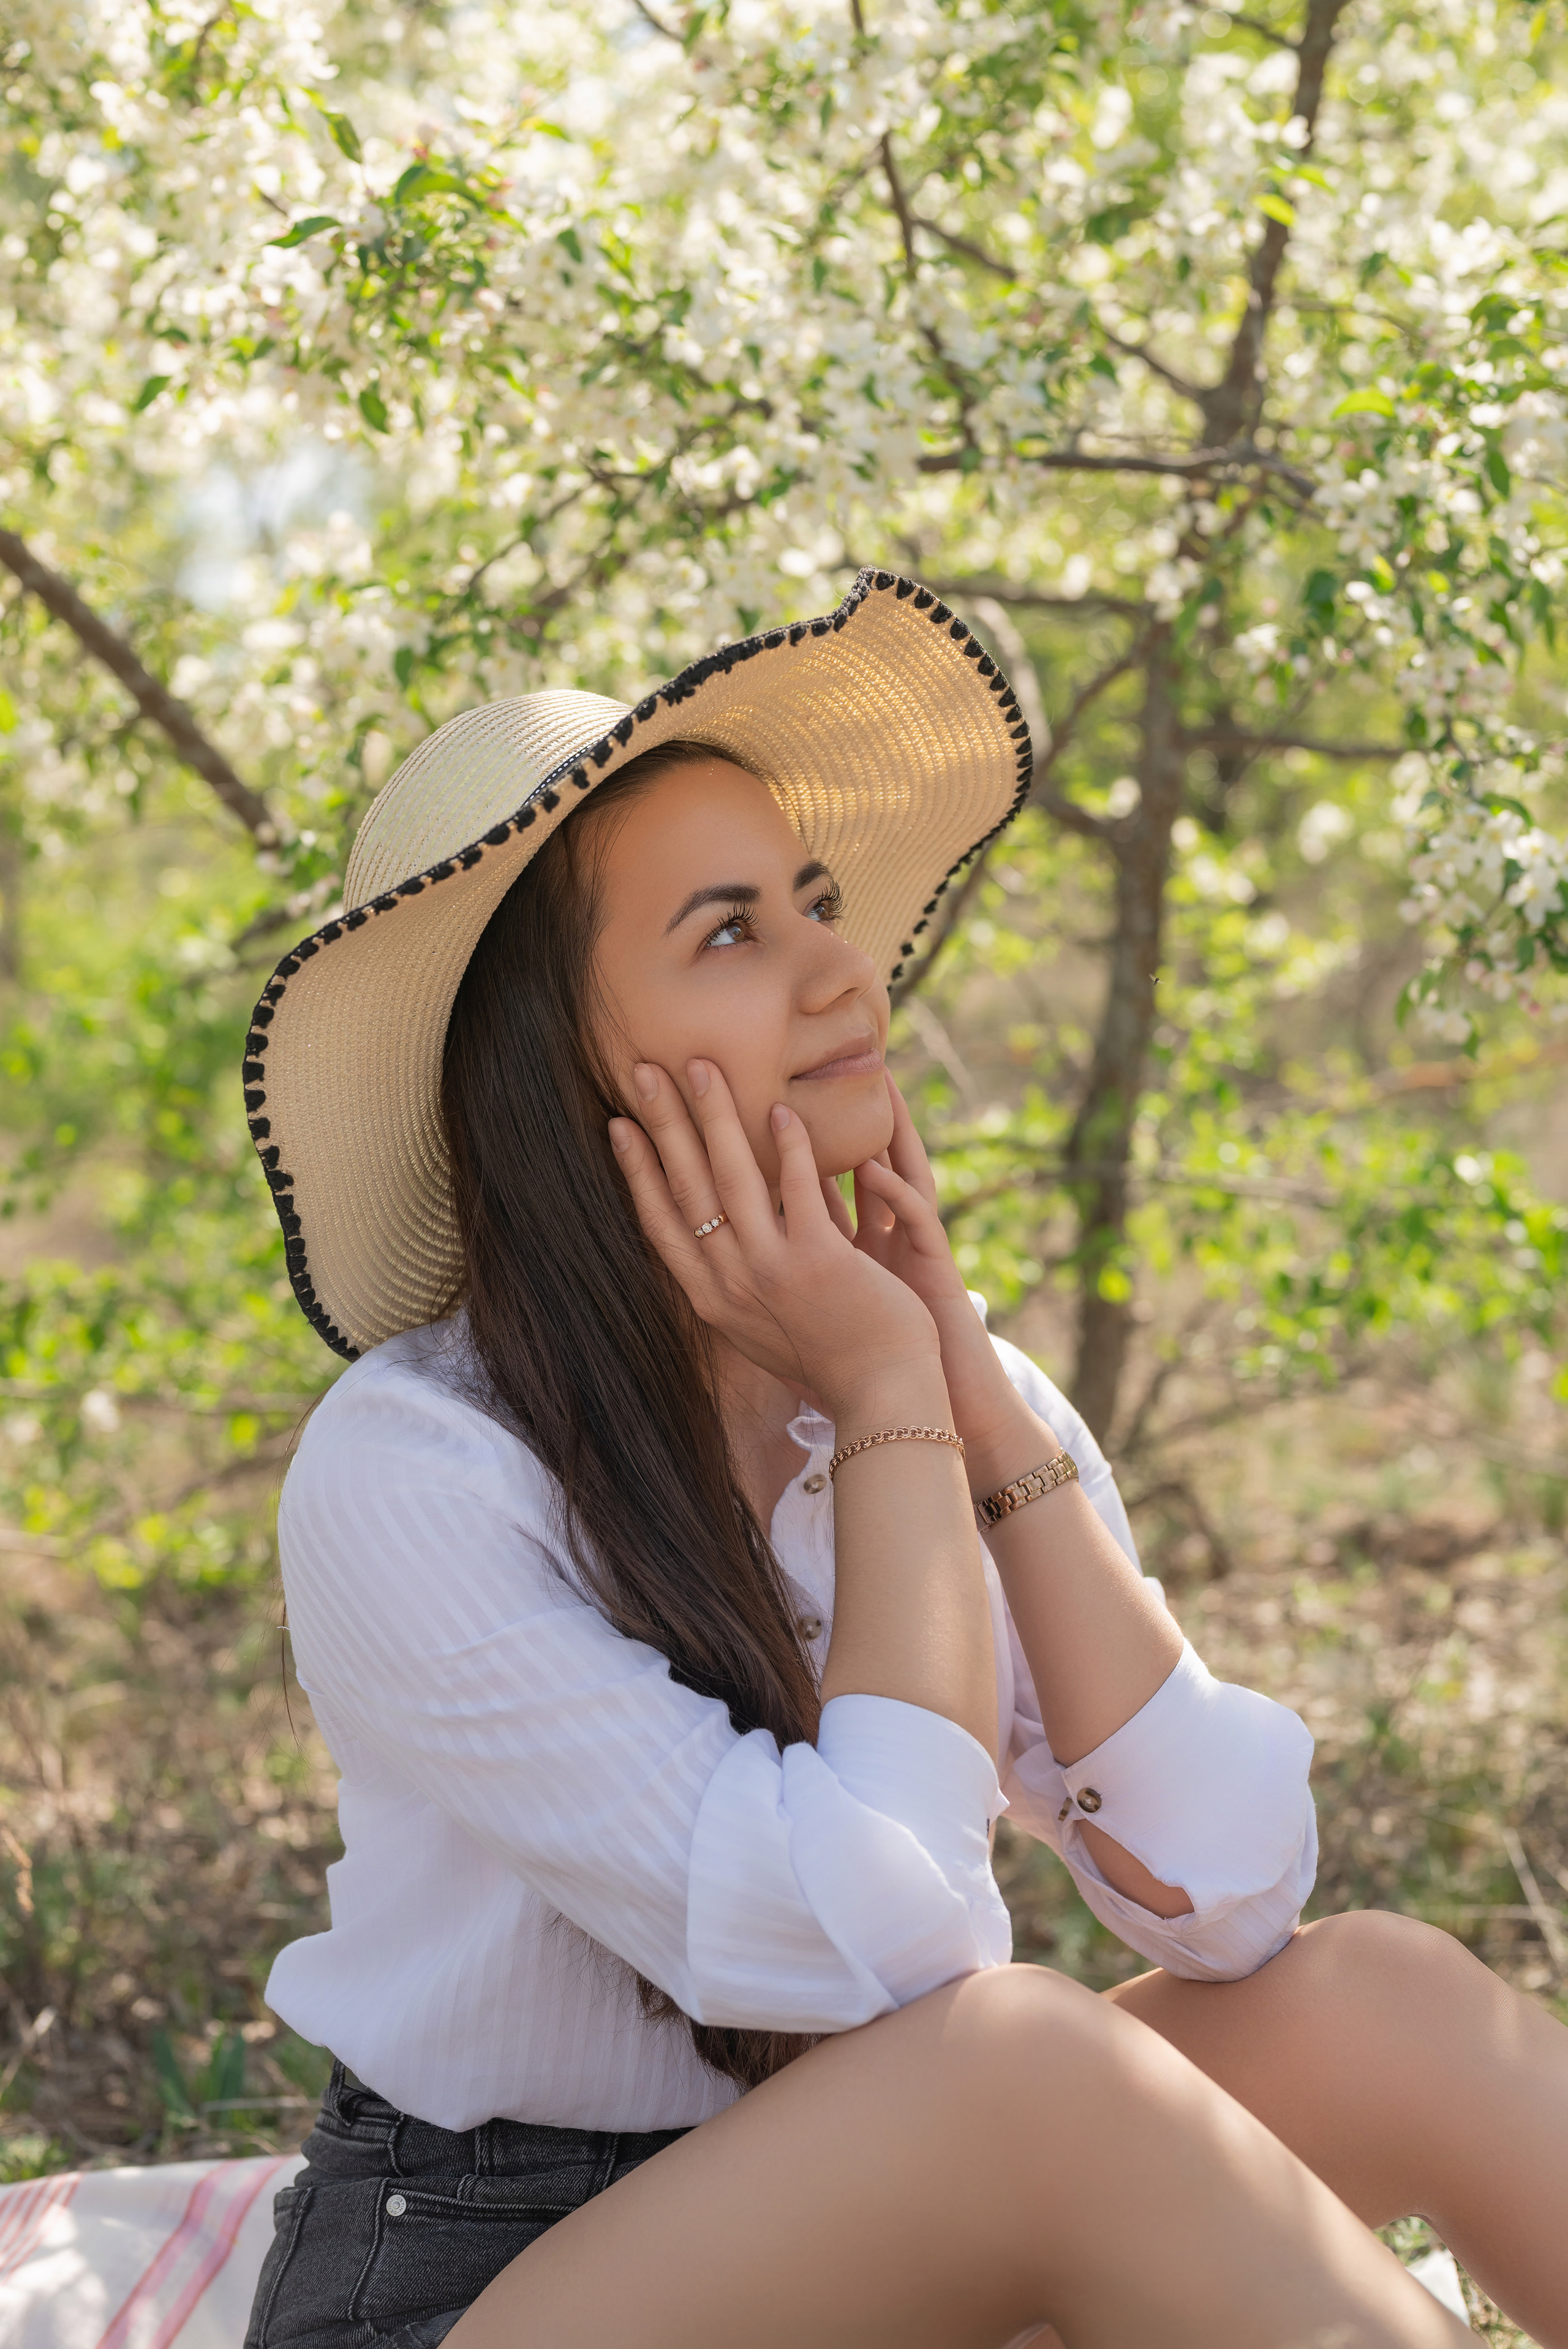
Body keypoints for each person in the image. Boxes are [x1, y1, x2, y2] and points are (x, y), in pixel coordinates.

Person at [241, 573, 1565, 2349]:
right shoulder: (416, 1468)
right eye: (729, 933)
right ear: (565, 1076)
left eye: (819, 901)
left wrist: (973, 1410)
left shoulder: (933, 1389)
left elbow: (1237, 1897)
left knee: (1382, 1999)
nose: (842, 970)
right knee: (1018, 2056)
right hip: (483, 2280)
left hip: (857, 2228)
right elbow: (893, 1943)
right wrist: (883, 1398)